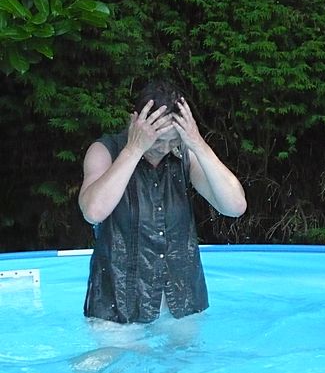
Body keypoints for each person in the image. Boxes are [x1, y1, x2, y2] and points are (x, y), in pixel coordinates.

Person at [79, 79, 247, 325]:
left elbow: (235, 206)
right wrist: (134, 149)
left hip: (182, 302)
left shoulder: (185, 154)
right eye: (157, 140)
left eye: (173, 140)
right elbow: (93, 211)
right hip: (117, 305)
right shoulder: (105, 151)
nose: (164, 149)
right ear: (135, 122)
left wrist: (197, 144)